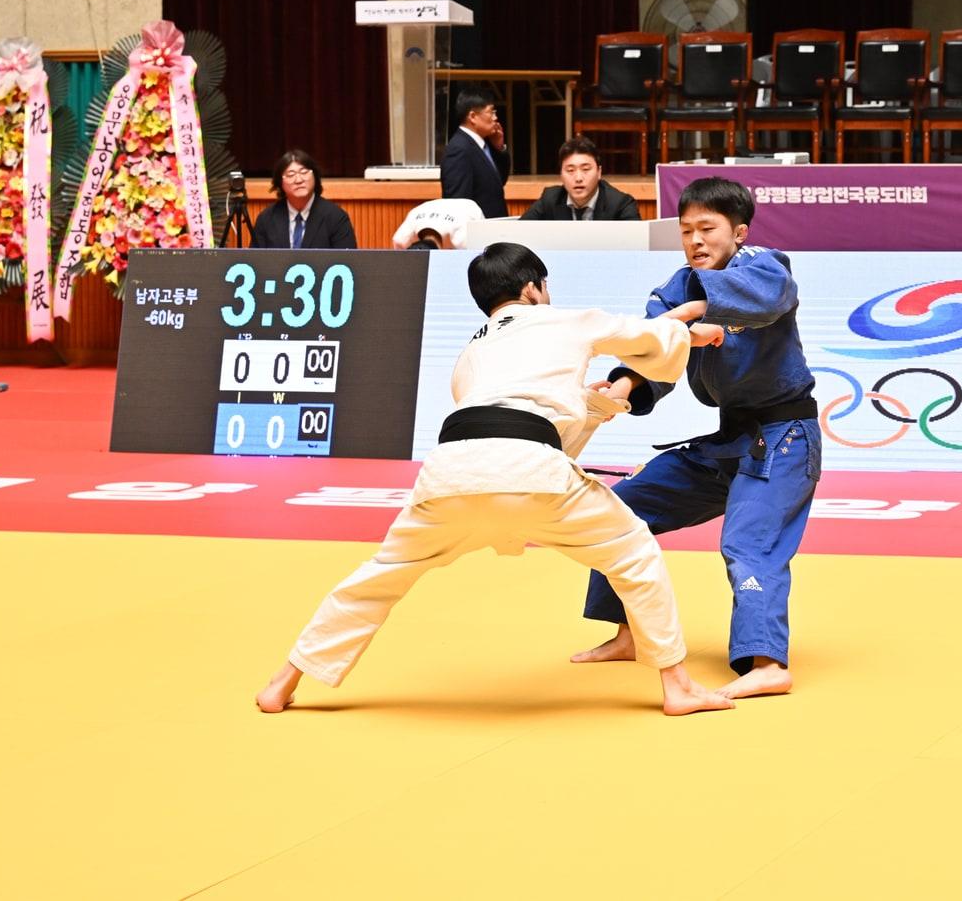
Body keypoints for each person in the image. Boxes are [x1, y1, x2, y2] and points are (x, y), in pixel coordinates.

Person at [256, 242, 734, 717]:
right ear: (531, 288)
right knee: (634, 552)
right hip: (529, 469)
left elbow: (513, 416)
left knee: (377, 579)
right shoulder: (564, 318)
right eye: (544, 286)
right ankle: (677, 687)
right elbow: (646, 339)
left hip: (448, 474)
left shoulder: (472, 351)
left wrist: (589, 405)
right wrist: (691, 327)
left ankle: (283, 681)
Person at [572, 177, 821, 700]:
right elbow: (654, 349)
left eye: (708, 228)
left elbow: (763, 300)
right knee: (622, 509)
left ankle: (768, 662)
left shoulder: (766, 268)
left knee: (749, 541)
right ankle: (629, 634)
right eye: (686, 230)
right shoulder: (680, 283)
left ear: (740, 231)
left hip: (784, 436)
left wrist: (686, 315)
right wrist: (620, 386)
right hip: (731, 438)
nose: (695, 241)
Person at [251, 149, 357, 249]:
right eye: (291, 174)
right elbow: (256, 262)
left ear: (314, 176)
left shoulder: (336, 217)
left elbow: (347, 263)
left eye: (304, 172)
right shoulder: (267, 218)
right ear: (280, 183)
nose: (298, 180)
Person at [519, 137, 640, 222]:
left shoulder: (621, 204)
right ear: (561, 175)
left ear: (599, 172)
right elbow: (520, 231)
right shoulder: (550, 199)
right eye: (570, 170)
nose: (578, 178)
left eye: (586, 169)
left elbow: (637, 244)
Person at [440, 85, 510, 219]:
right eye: (491, 112)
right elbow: (457, 204)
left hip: (492, 229)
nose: (495, 118)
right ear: (472, 116)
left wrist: (499, 148)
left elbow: (499, 182)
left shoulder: (483, 144)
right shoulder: (458, 150)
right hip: (477, 233)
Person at [391, 197, 484, 250]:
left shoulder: (463, 238)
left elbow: (480, 257)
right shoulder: (401, 239)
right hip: (427, 207)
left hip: (468, 207)